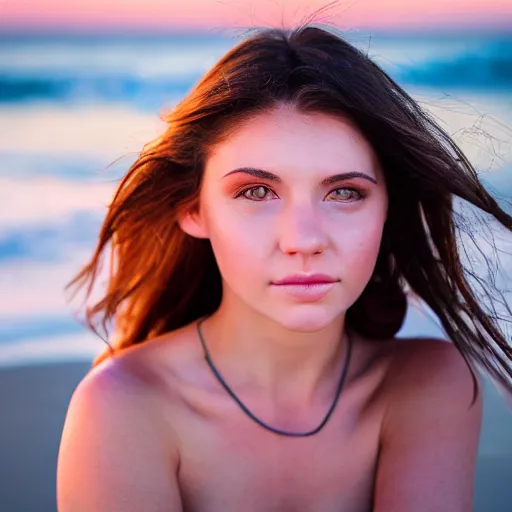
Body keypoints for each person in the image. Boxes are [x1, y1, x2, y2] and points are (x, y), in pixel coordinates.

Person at [56, 23, 512, 511]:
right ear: (194, 208)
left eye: (344, 193)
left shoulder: (425, 384)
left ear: (388, 208)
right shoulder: (123, 406)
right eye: (256, 192)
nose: (304, 240)